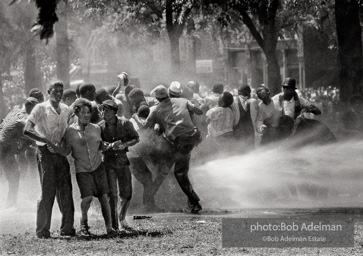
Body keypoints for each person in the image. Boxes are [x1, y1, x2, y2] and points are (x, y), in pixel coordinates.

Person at [133, 85, 203, 214]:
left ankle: (195, 203)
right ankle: (149, 202)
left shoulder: (155, 109)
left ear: (157, 98)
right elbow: (198, 111)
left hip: (180, 142)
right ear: (168, 94)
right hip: (187, 139)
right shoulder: (182, 101)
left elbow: (144, 126)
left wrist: (135, 116)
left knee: (178, 174)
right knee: (164, 171)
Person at [24, 81, 75, 238]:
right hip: (45, 152)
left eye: (61, 91)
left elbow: (69, 132)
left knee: (66, 191)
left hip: (60, 152)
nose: (59, 94)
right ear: (48, 91)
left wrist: (66, 147)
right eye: (55, 91)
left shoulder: (66, 110)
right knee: (48, 191)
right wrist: (46, 141)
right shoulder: (40, 108)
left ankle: (67, 228)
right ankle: (42, 230)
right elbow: (27, 129)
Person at [60, 98, 115, 236]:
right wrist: (56, 147)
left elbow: (101, 145)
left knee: (104, 197)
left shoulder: (96, 128)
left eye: (89, 112)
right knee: (87, 198)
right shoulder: (69, 131)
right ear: (76, 113)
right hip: (82, 169)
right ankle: (83, 223)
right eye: (83, 112)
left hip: (98, 166)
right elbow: (66, 151)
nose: (86, 115)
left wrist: (106, 146)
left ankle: (109, 228)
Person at [98, 100, 139, 231]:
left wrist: (123, 144)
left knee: (126, 194)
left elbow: (136, 138)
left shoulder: (125, 123)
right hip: (108, 162)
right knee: (112, 194)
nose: (104, 113)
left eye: (107, 111)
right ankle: (114, 226)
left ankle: (121, 218)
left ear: (115, 112)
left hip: (122, 160)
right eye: (102, 110)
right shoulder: (98, 127)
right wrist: (102, 145)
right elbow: (94, 143)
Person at [0, 97, 39, 207]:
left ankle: (10, 202)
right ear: (30, 106)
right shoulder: (23, 118)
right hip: (3, 147)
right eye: (36, 109)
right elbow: (32, 132)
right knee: (14, 175)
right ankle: (10, 203)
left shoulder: (14, 111)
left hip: (5, 148)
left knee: (14, 175)